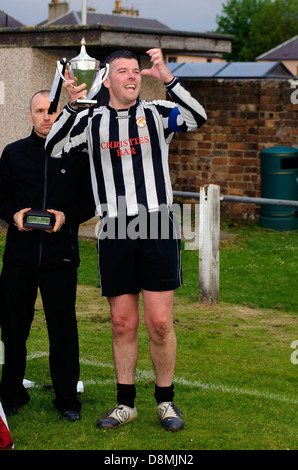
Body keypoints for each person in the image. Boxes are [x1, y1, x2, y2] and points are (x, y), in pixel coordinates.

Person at [46, 48, 207, 431]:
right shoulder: (90, 120)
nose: (132, 76)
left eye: (137, 70)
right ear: (108, 79)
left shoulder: (156, 112)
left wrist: (168, 77)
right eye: (123, 71)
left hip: (157, 224)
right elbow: (52, 148)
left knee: (160, 322)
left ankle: (165, 401)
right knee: (122, 322)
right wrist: (70, 107)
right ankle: (126, 404)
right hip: (115, 227)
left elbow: (197, 117)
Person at [0, 90, 95, 421]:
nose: (46, 116)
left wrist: (65, 216)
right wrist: (13, 215)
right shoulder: (13, 153)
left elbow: (90, 203)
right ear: (30, 115)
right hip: (18, 258)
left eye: (51, 110)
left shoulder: (78, 155)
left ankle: (67, 400)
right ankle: (11, 393)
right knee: (12, 328)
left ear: (59, 115)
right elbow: (0, 198)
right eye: (39, 111)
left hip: (60, 258)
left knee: (63, 328)